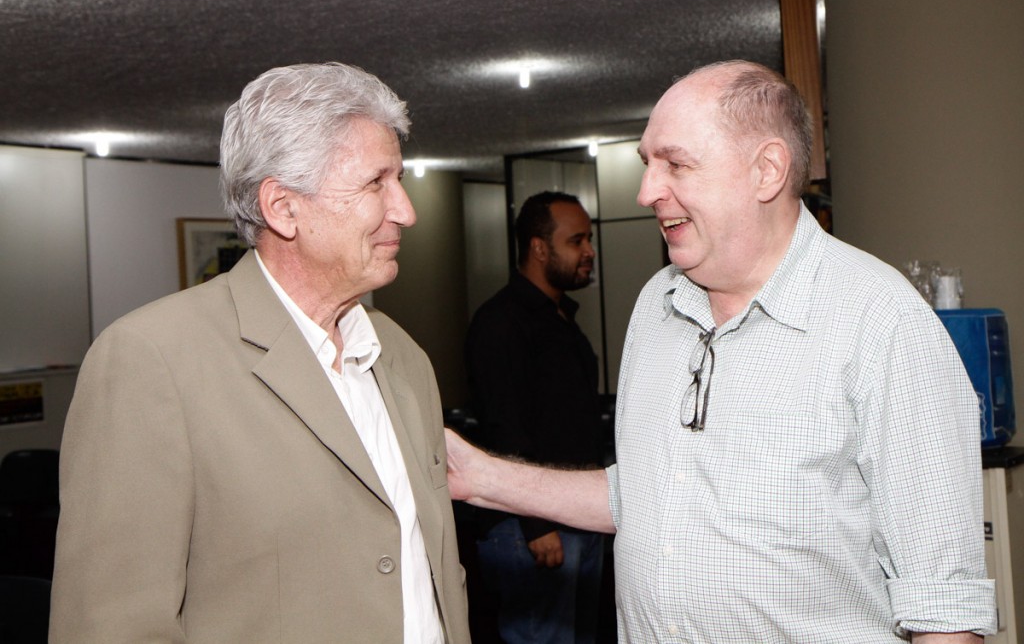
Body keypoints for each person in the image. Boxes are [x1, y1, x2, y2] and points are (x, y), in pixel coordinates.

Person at [445, 60, 996, 643]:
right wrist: (480, 476)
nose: (647, 191)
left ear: (766, 171)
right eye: (648, 164)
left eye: (676, 164)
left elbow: (944, 606)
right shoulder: (656, 306)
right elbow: (647, 495)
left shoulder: (881, 322)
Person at [50, 62, 471, 643]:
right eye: (377, 183)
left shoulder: (401, 355)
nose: (406, 210)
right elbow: (109, 626)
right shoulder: (150, 361)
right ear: (282, 207)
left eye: (398, 180)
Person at [465, 191, 605, 643]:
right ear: (539, 248)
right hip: (530, 527)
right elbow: (503, 425)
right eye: (577, 240)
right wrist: (536, 524)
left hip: (577, 516)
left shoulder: (561, 318)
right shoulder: (501, 323)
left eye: (589, 239)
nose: (589, 251)